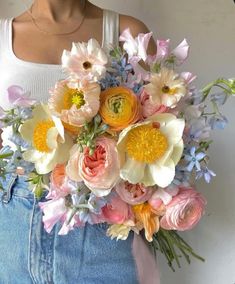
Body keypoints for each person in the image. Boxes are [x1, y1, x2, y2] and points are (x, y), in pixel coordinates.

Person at [0, 0, 157, 283]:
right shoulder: (2, 36)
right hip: (11, 229)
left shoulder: (128, 34)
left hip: (103, 229)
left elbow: (159, 133)